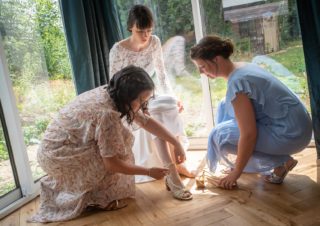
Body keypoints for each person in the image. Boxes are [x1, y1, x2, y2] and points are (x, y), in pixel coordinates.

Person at [29, 66, 192, 223]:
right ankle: (98, 199)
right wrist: (148, 171)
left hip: (53, 149)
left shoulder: (112, 91)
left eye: (146, 100)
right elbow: (112, 164)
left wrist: (175, 142)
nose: (143, 105)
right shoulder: (108, 114)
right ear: (128, 96)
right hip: (58, 156)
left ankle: (96, 193)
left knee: (115, 141)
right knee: (117, 147)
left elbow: (145, 121)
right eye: (141, 100)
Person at [190, 35, 312, 190]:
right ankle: (256, 161)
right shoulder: (242, 67)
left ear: (216, 60)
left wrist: (236, 172)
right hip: (298, 125)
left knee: (220, 136)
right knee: (223, 105)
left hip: (292, 134)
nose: (201, 72)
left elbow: (249, 134)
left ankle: (280, 162)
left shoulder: (237, 82)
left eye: (202, 66)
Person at [109, 4, 195, 183]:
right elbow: (114, 84)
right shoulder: (118, 50)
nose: (146, 35)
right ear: (131, 26)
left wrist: (173, 96)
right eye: (141, 31)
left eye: (149, 30)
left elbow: (162, 75)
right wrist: (136, 106)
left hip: (148, 93)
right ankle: (169, 168)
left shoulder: (154, 42)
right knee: (154, 113)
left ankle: (178, 163)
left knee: (171, 105)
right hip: (130, 100)